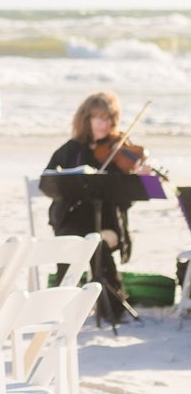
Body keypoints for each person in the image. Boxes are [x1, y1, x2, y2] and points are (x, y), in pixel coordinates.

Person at [44, 91, 139, 325]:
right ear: (86, 119)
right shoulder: (71, 149)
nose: (104, 124)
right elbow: (48, 181)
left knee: (98, 242)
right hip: (72, 215)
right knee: (68, 241)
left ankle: (112, 307)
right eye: (98, 118)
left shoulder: (120, 150)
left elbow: (127, 201)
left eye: (108, 119)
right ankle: (61, 305)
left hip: (108, 219)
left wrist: (135, 179)